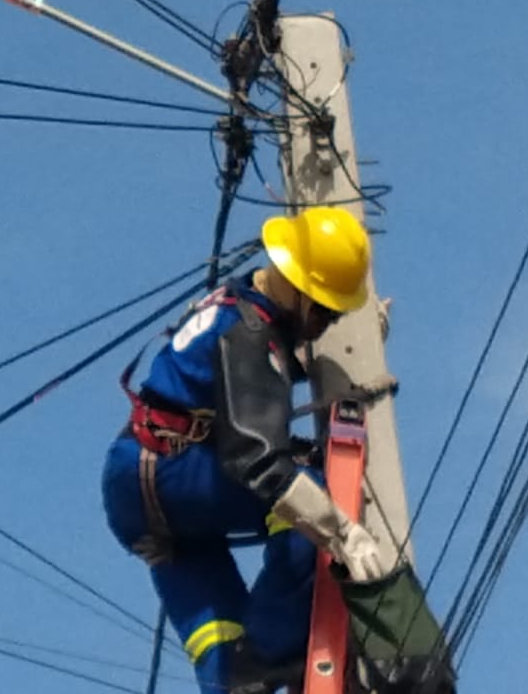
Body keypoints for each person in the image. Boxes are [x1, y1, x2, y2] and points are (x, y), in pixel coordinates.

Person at [102, 206, 387, 694]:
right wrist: (343, 534)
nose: (325, 326)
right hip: (178, 477)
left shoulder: (236, 303)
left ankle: (248, 674)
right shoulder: (251, 337)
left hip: (137, 491)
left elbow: (248, 377)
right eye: (325, 311)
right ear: (299, 290)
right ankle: (279, 655)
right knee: (308, 496)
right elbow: (256, 458)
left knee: (228, 659)